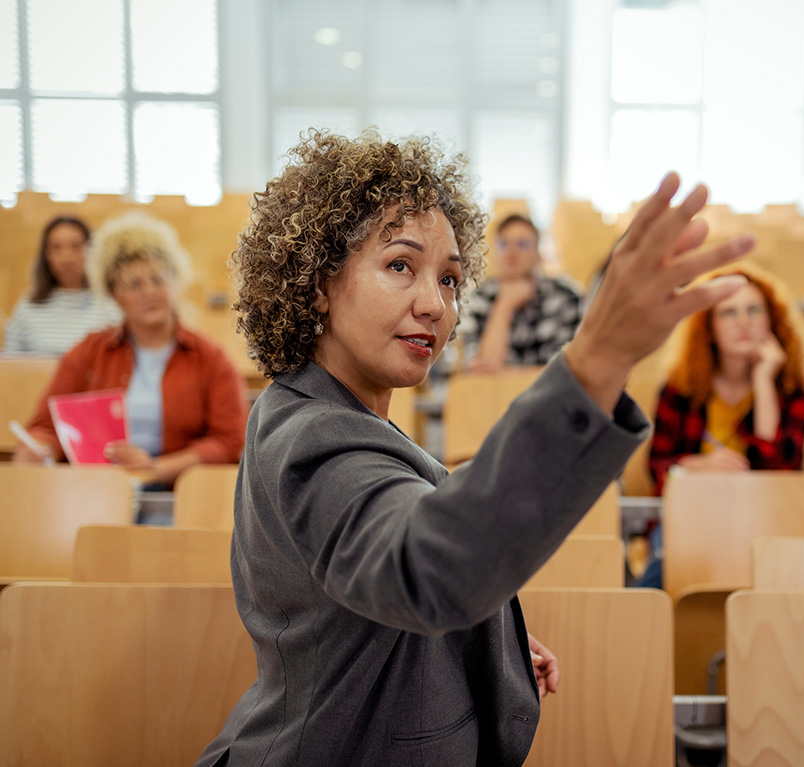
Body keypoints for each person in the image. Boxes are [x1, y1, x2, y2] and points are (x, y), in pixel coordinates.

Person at [194, 129, 753, 767]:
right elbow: (423, 569)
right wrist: (596, 359)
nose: (435, 305)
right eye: (400, 265)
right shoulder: (314, 435)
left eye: (451, 280)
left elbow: (377, 591)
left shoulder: (332, 413)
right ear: (318, 284)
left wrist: (487, 637)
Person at [13, 212, 246, 489]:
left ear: (174, 282)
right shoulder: (87, 353)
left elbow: (230, 440)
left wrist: (157, 468)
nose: (149, 292)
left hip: (178, 492)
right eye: (133, 285)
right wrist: (40, 449)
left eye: (158, 280)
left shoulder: (210, 358)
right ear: (114, 294)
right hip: (100, 489)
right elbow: (46, 426)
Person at [649, 263, 804, 494]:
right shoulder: (680, 388)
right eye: (729, 312)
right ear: (709, 327)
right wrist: (699, 466)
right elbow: (657, 469)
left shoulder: (794, 389)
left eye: (755, 310)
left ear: (771, 319)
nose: (744, 323)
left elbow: (780, 475)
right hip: (694, 507)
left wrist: (764, 382)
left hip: (763, 511)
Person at [458, 213, 583, 371]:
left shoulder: (565, 297)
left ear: (538, 255)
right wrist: (505, 305)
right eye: (503, 244)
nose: (511, 253)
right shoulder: (478, 299)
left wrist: (504, 374)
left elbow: (563, 373)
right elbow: (481, 373)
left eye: (522, 244)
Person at [2, 215, 121, 355]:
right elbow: (9, 366)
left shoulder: (112, 306)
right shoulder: (27, 307)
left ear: (92, 250)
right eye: (56, 248)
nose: (66, 257)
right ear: (46, 255)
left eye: (76, 246)